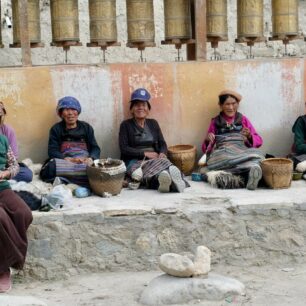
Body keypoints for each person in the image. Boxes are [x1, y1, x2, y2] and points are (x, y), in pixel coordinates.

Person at [119, 88, 186, 193]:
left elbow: (162, 143)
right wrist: (145, 154)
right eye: (137, 105)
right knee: (148, 173)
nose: (140, 108)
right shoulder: (125, 125)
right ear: (131, 109)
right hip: (134, 161)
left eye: (143, 105)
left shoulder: (153, 123)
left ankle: (170, 181)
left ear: (148, 109)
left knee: (167, 166)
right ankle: (166, 183)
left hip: (155, 159)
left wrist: (163, 153)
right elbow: (124, 149)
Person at [201, 89, 264, 190]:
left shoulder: (243, 120)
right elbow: (205, 149)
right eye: (227, 104)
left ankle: (244, 172)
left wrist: (249, 136)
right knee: (217, 159)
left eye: (233, 103)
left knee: (259, 155)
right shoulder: (215, 122)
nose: (231, 107)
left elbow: (259, 141)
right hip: (223, 154)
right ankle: (248, 172)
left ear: (238, 104)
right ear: (221, 105)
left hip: (240, 152)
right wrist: (208, 140)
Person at [40, 96, 101, 187]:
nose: (70, 113)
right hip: (66, 162)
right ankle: (84, 181)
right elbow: (52, 151)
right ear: (61, 113)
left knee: (98, 168)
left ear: (78, 112)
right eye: (66, 110)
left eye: (73, 109)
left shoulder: (86, 127)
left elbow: (95, 148)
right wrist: (68, 159)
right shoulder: (56, 129)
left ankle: (65, 180)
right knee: (51, 167)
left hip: (83, 162)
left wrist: (90, 158)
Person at [0, 134, 33, 293]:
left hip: (2, 188)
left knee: (24, 213)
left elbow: (14, 166)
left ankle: (12, 258)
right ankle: (3, 269)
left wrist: (5, 174)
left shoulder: (3, 139)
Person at [0, 102, 33, 182]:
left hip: (4, 167)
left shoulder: (6, 133)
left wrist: (5, 173)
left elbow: (13, 160)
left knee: (27, 174)